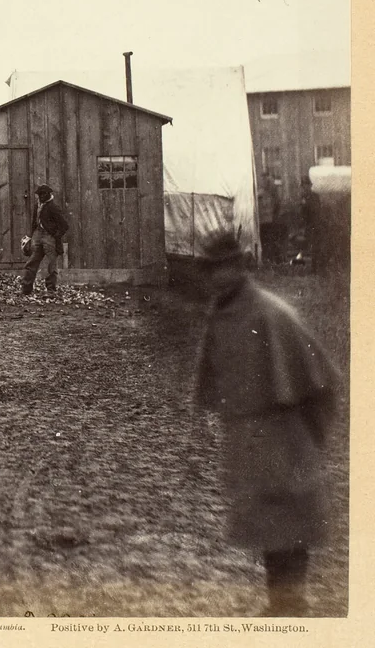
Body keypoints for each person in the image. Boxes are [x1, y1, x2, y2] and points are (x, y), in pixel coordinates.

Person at [192, 231, 340, 616]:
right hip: (248, 438)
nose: (216, 278)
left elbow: (323, 381)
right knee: (269, 525)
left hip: (284, 435)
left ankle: (291, 606)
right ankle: (282, 603)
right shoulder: (221, 312)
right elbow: (214, 376)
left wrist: (311, 440)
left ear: (239, 267)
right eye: (211, 270)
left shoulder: (271, 314)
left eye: (223, 268)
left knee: (289, 520)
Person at [20, 184, 69, 297]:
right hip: (37, 235)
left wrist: (56, 236)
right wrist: (32, 236)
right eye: (39, 194)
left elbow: (64, 226)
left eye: (43, 194)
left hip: (49, 237)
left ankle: (51, 290)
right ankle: (26, 289)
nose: (41, 196)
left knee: (51, 264)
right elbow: (34, 222)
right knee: (32, 261)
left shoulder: (53, 207)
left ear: (49, 194)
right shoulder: (37, 206)